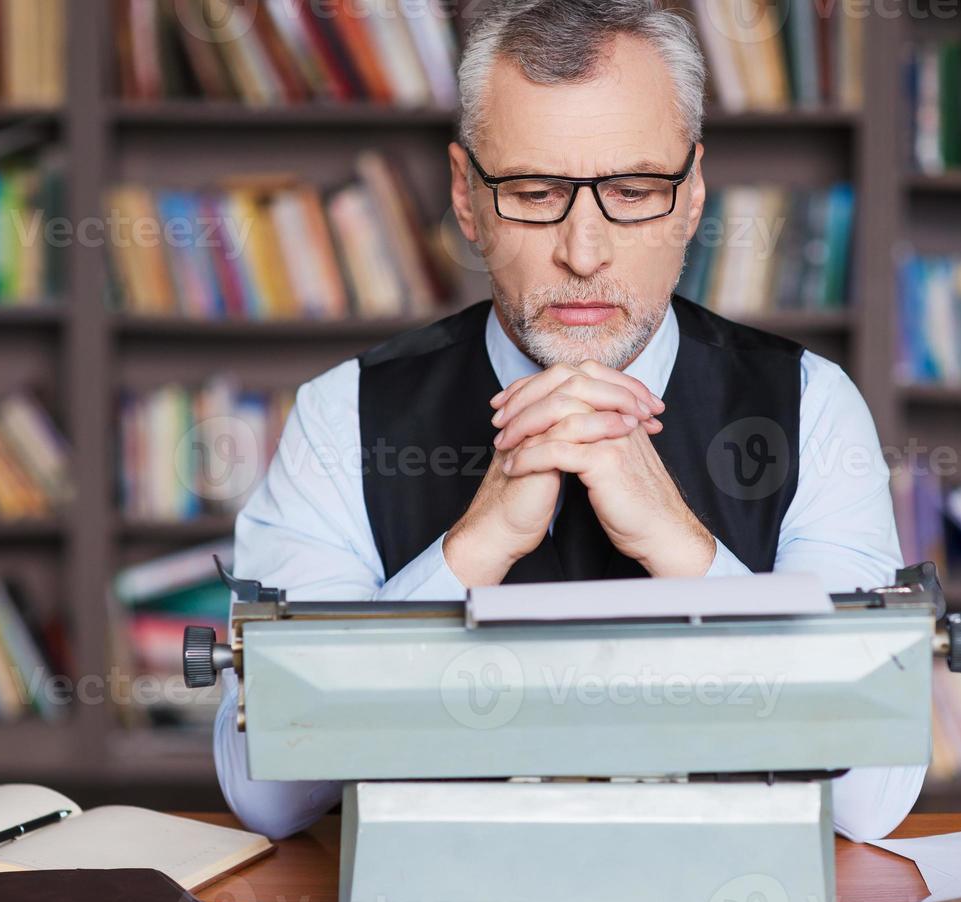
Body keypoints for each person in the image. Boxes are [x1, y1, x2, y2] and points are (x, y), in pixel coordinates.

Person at [214, 0, 924, 844]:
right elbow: (270, 798)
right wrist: (469, 551)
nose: (582, 252)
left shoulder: (811, 403)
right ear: (466, 198)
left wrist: (680, 548)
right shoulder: (344, 413)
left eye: (631, 191)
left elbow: (870, 802)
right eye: (533, 191)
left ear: (692, 195)